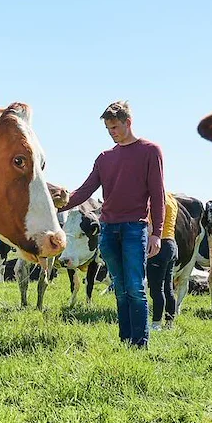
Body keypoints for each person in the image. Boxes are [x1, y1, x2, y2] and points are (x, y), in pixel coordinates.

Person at [60, 101, 165, 348]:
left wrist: (157, 233)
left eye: (115, 127)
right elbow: (84, 191)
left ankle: (140, 344)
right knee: (119, 288)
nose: (112, 133)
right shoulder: (105, 158)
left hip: (134, 229)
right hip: (108, 230)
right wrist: (57, 205)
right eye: (108, 129)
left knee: (136, 287)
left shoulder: (150, 151)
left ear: (128, 123)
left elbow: (157, 194)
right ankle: (126, 341)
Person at [147, 192, 178, 331]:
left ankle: (156, 323)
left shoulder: (154, 198)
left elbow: (149, 223)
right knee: (168, 287)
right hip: (172, 243)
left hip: (159, 244)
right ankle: (170, 322)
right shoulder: (171, 198)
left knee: (156, 288)